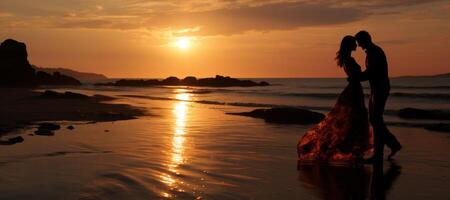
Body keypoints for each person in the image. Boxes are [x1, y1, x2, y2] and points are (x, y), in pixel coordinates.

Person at [297, 35, 372, 163]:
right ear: (349, 45)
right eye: (354, 43)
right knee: (356, 119)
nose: (356, 45)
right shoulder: (349, 60)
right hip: (354, 90)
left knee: (354, 121)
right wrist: (370, 72)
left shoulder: (346, 59)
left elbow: (354, 76)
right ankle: (351, 150)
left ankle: (354, 150)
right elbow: (356, 75)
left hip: (354, 89)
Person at [354, 30, 402, 163]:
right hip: (376, 89)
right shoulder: (372, 52)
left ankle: (384, 150)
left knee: (376, 119)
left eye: (359, 42)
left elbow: (371, 72)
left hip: (380, 88)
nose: (358, 45)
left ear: (365, 40)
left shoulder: (375, 52)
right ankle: (390, 146)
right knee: (375, 120)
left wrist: (356, 77)